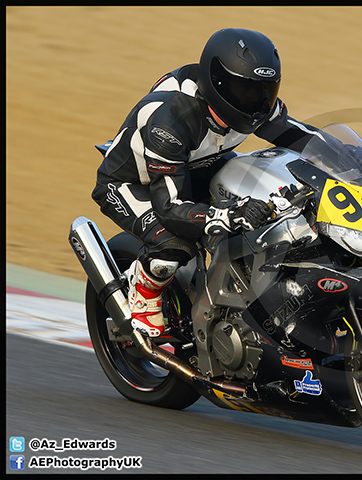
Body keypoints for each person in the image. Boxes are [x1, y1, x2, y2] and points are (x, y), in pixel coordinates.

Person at [92, 28, 326, 338]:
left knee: (277, 199)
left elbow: (304, 138)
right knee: (175, 244)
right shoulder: (172, 119)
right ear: (217, 84)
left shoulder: (259, 109)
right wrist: (226, 215)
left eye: (265, 90)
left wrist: (358, 161)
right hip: (135, 184)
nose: (257, 102)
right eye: (245, 91)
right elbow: (170, 208)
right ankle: (144, 290)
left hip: (199, 166)